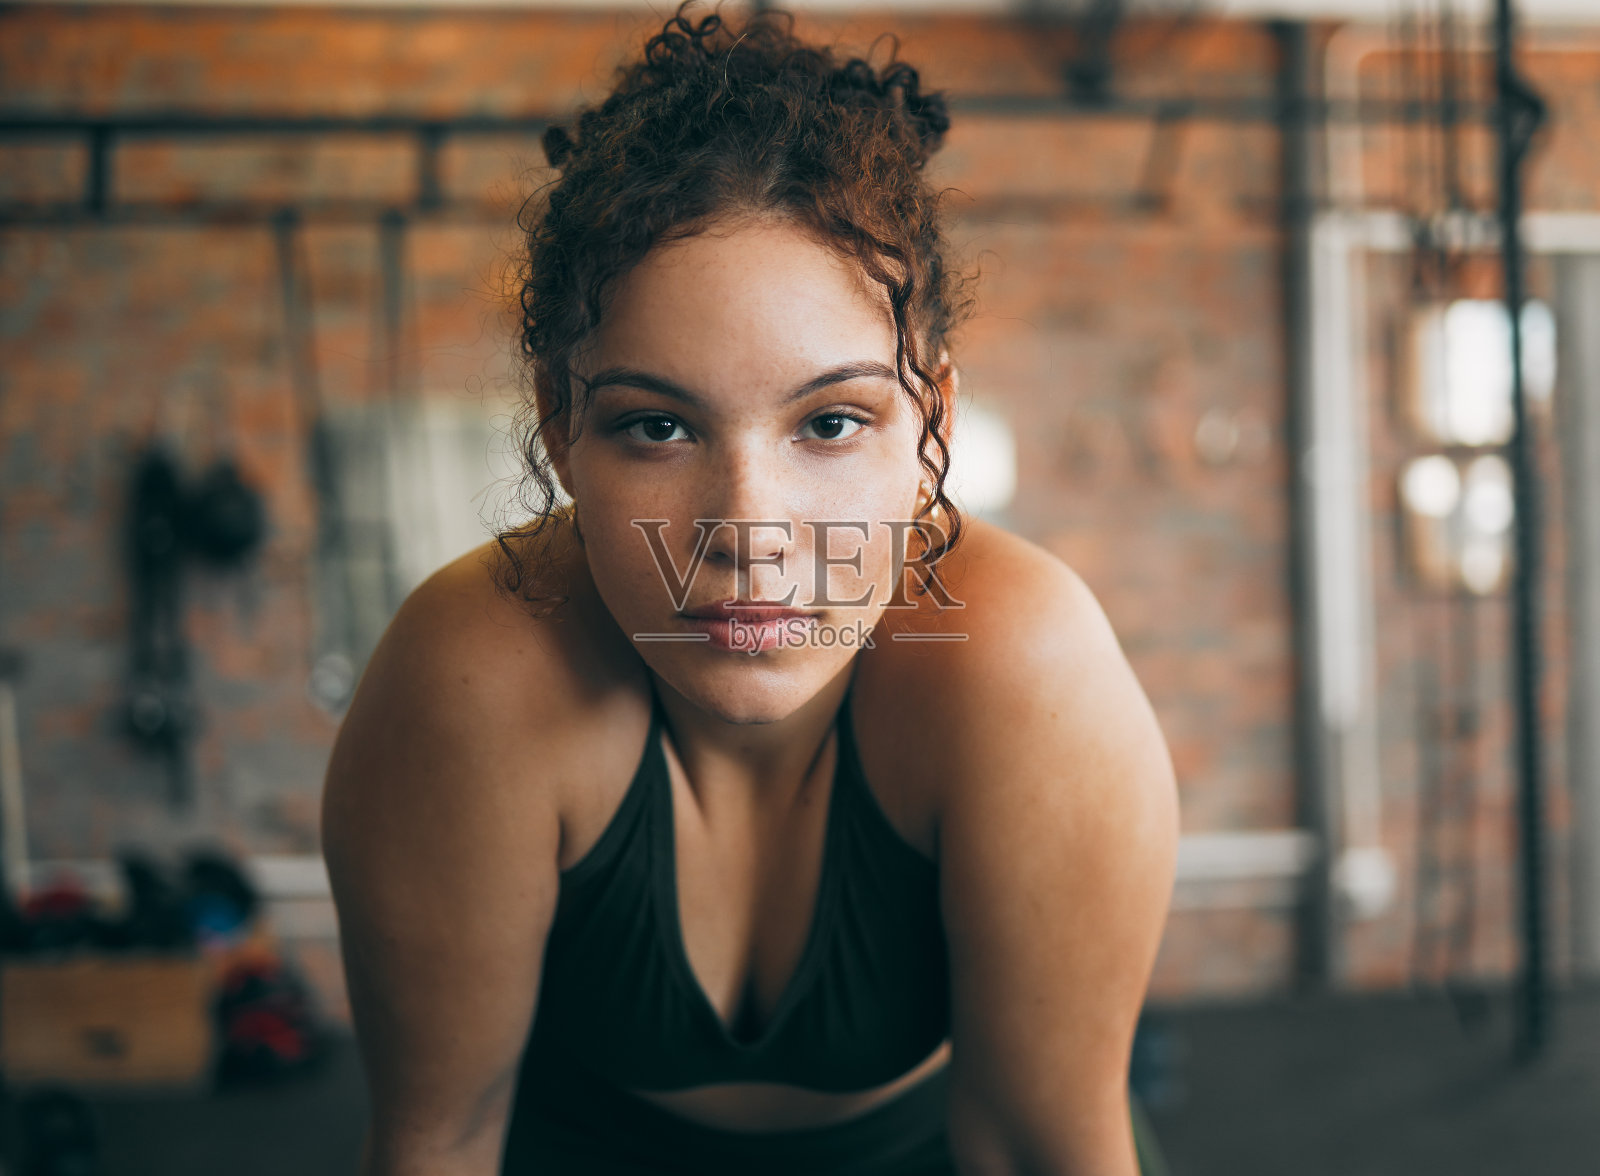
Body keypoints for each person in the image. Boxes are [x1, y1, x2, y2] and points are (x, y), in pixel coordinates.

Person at [320, 5, 1179, 1174]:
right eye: (658, 426)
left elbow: (1038, 1149)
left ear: (932, 419)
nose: (748, 535)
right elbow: (441, 1142)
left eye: (829, 421)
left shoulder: (1021, 667)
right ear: (559, 428)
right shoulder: (472, 673)